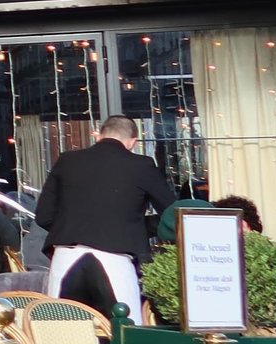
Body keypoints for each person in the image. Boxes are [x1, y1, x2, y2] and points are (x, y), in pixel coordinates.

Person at [34, 116, 176, 325]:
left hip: (66, 255)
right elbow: (172, 213)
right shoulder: (141, 165)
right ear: (133, 142)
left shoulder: (67, 160)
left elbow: (43, 216)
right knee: (125, 331)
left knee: (61, 330)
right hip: (115, 258)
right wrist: (136, 228)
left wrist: (71, 228)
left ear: (99, 136)